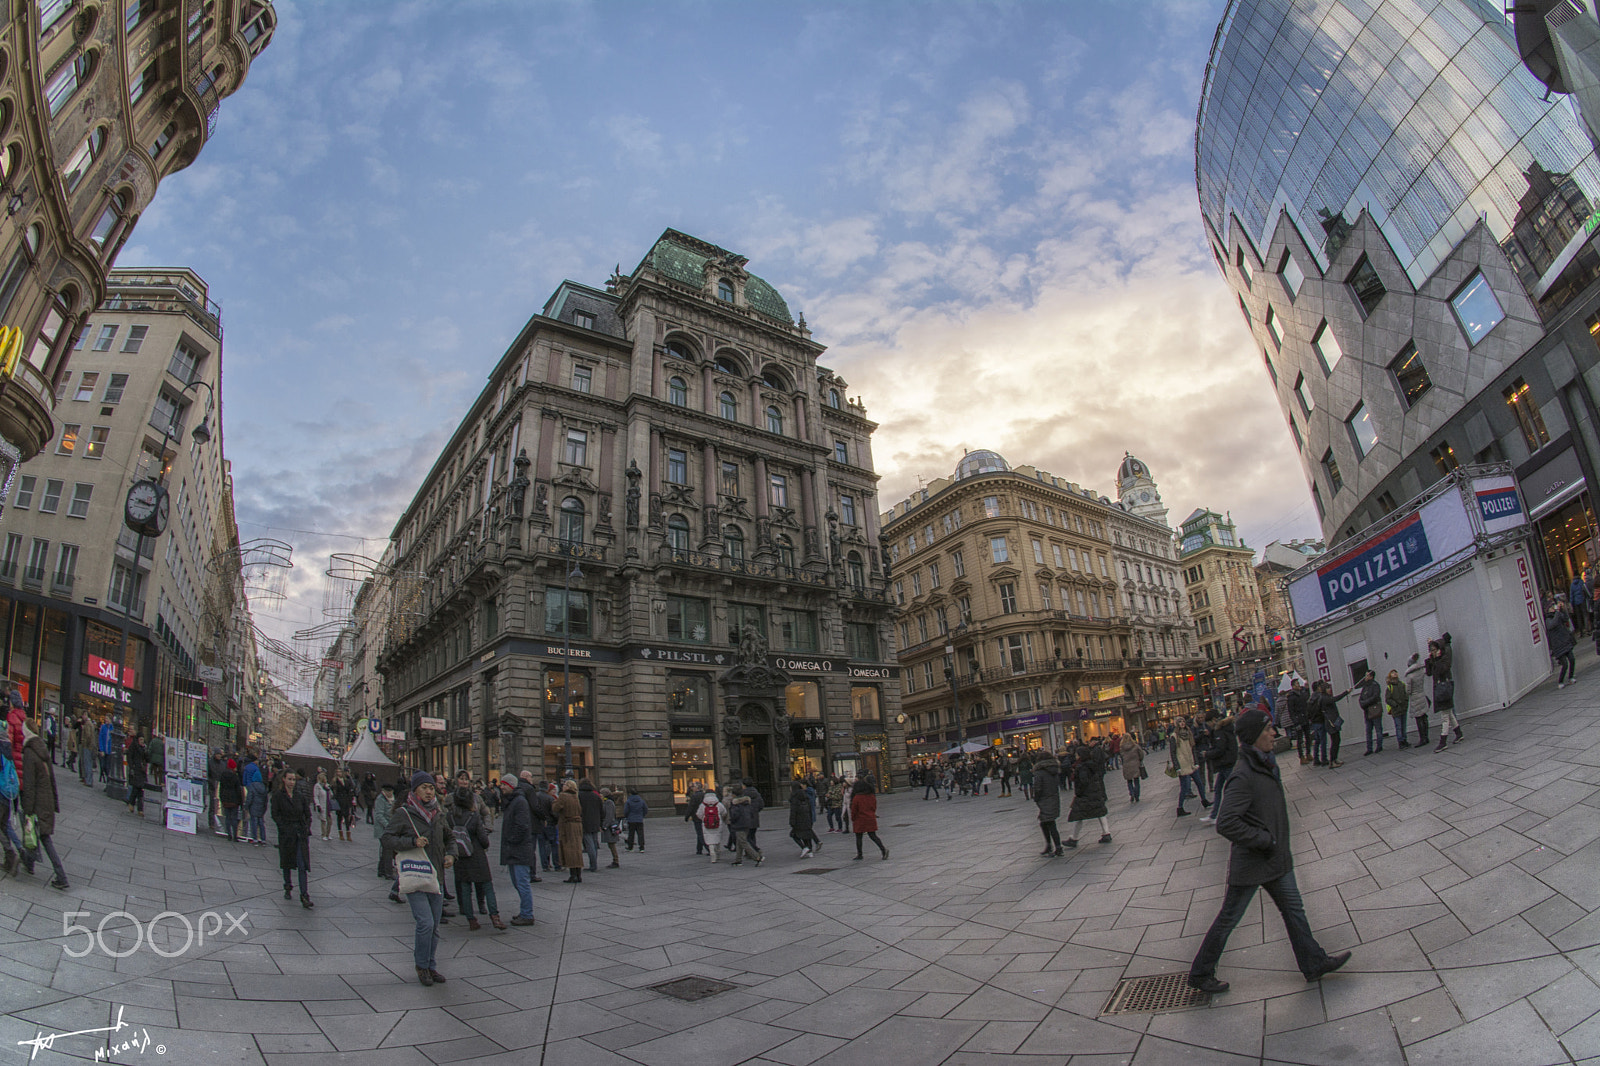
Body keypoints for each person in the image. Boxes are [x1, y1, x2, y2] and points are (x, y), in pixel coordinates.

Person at [1188, 709, 1352, 994]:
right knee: (1229, 918)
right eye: (1268, 729)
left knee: (1294, 910)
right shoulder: (1243, 775)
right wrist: (1263, 840)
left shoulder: (1264, 764)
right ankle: (1201, 973)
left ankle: (1313, 963)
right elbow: (1226, 822)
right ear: (1254, 736)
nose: (1274, 733)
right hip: (1253, 863)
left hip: (1275, 859)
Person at [383, 771, 456, 985]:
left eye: (431, 787)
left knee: (434, 926)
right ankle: (421, 966)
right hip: (416, 874)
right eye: (424, 787)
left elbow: (450, 837)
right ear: (415, 790)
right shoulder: (405, 813)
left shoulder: (438, 813)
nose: (428, 791)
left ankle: (431, 966)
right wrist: (412, 842)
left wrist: (451, 854)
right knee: (425, 923)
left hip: (436, 877)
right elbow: (387, 838)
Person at [18, 719, 67, 890]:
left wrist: (27, 809)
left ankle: (61, 875)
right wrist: (54, 802)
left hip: (39, 801)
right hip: (46, 800)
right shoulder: (42, 748)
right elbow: (52, 780)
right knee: (36, 834)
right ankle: (29, 863)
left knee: (44, 837)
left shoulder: (30, 753)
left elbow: (29, 785)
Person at [449, 785, 503, 931]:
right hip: (476, 855)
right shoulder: (474, 816)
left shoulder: (450, 816)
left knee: (465, 888)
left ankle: (471, 919)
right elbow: (484, 839)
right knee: (487, 885)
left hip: (459, 856)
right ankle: (495, 917)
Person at [496, 775, 538, 923]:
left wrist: (511, 840)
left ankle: (527, 914)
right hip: (515, 849)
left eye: (504, 784)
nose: (501, 787)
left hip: (519, 849)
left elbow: (522, 825)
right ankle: (525, 911)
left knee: (522, 882)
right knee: (517, 882)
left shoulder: (519, 802)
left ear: (511, 785)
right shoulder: (513, 801)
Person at [271, 770, 314, 908]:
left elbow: (307, 814)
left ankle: (304, 895)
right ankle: (288, 886)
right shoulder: (278, 796)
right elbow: (275, 814)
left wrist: (306, 828)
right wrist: (283, 827)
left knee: (302, 865)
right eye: (289, 779)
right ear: (283, 780)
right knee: (287, 862)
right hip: (287, 833)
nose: (292, 782)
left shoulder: (299, 796)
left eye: (293, 779)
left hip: (300, 834)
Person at [1064, 741, 1111, 848]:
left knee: (1078, 815)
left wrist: (1078, 793)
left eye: (1077, 754)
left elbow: (1083, 782)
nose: (1075, 756)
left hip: (1085, 795)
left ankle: (1074, 838)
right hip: (1095, 793)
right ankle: (1106, 833)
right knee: (1100, 812)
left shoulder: (1081, 767)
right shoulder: (1092, 764)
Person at [1199, 716, 1237, 825]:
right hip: (1227, 763)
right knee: (1218, 789)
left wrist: (1207, 754)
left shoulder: (1220, 732)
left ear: (1213, 721)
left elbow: (1220, 748)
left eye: (1208, 723)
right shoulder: (1227, 729)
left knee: (1232, 789)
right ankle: (1214, 815)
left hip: (1225, 763)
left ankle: (1236, 813)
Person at [1428, 637, 1463, 750]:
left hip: (1444, 689)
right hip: (1441, 689)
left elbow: (1441, 670)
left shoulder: (1444, 659)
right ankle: (1458, 733)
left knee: (1445, 717)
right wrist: (1431, 660)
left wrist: (1436, 659)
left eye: (1434, 650)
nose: (1432, 652)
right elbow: (1429, 673)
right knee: (1449, 713)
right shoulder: (1436, 660)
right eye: (1431, 650)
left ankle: (1443, 741)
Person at [1171, 720, 1208, 816]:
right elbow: (1173, 753)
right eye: (1180, 722)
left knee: (1199, 783)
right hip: (1182, 764)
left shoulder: (1188, 734)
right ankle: (1180, 808)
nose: (1182, 723)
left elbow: (1193, 749)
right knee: (1185, 787)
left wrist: (1195, 762)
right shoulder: (1174, 736)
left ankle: (1204, 800)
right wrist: (1177, 767)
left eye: (1183, 721)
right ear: (1177, 724)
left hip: (1190, 763)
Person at [553, 779, 585, 883]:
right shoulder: (576, 796)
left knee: (569, 849)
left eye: (564, 785)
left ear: (568, 786)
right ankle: (578, 874)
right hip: (577, 825)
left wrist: (554, 801)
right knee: (577, 849)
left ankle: (573, 875)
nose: (563, 786)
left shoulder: (563, 796)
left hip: (568, 825)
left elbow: (556, 808)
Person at [1311, 681, 1349, 767]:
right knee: (1334, 741)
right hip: (1330, 722)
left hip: (1332, 721)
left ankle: (1335, 758)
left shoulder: (1325, 697)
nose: (1330, 690)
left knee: (1337, 740)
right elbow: (1335, 699)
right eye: (1328, 688)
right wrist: (1346, 692)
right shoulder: (1325, 698)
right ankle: (1332, 761)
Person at [849, 777, 888, 860]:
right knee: (873, 836)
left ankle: (860, 854)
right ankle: (883, 849)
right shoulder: (871, 796)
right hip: (870, 818)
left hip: (860, 819)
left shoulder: (857, 798)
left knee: (859, 837)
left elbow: (854, 810)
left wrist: (853, 818)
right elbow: (874, 807)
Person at [727, 785, 763, 866]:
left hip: (739, 824)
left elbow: (734, 815)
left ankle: (757, 857)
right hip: (747, 822)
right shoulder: (746, 801)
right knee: (739, 841)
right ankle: (738, 859)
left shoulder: (735, 803)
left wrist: (731, 820)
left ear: (734, 794)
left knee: (743, 841)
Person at [1549, 595, 1577, 689]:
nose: (1554, 608)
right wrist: (1557, 613)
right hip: (1558, 644)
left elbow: (1565, 619)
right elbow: (1553, 624)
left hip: (1565, 640)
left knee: (1572, 659)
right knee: (1564, 664)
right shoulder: (1548, 619)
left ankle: (1571, 677)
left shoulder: (1558, 614)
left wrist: (1563, 610)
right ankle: (1560, 681)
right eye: (1552, 607)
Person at [1403, 652, 1430, 747]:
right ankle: (1426, 736)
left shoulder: (1409, 676)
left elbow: (1408, 690)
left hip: (1415, 698)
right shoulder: (1421, 671)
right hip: (1422, 694)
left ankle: (1422, 738)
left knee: (1418, 718)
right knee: (1424, 716)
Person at [789, 780, 822, 858]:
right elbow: (810, 808)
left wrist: (792, 822)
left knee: (794, 834)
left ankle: (805, 848)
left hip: (799, 820)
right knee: (806, 835)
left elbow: (793, 811)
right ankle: (809, 850)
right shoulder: (804, 795)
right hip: (806, 818)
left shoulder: (794, 797)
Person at [577, 779, 604, 872]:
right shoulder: (596, 796)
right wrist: (601, 823)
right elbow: (602, 811)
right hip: (595, 823)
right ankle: (594, 863)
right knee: (594, 844)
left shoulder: (579, 796)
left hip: (584, 823)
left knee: (589, 845)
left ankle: (593, 865)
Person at [696, 786, 727, 863]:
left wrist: (704, 818)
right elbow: (724, 812)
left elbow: (698, 814)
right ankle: (718, 851)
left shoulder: (703, 805)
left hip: (707, 824)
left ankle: (712, 852)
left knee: (709, 839)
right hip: (717, 823)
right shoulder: (718, 803)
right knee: (717, 837)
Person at [1357, 670, 1385, 755]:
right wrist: (1362, 703)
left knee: (1378, 729)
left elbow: (1375, 697)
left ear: (1371, 676)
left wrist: (1365, 703)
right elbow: (1361, 698)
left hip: (1374, 710)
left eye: (1367, 675)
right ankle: (1369, 748)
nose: (1365, 677)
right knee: (1368, 730)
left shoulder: (1375, 685)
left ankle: (1379, 746)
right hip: (1367, 711)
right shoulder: (1365, 686)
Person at [244, 755, 268, 846]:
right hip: (261, 808)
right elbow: (266, 800)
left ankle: (254, 838)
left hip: (253, 808)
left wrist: (246, 806)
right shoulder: (263, 788)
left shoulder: (252, 787)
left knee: (254, 822)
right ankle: (263, 839)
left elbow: (250, 798)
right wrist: (264, 808)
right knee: (261, 823)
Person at [1285, 678, 1311, 765]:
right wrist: (1295, 722)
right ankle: (1301, 756)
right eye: (1297, 684)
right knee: (1300, 739)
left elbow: (1306, 702)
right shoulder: (1291, 697)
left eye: (1298, 683)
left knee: (1308, 737)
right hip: (1299, 720)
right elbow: (1291, 711)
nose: (1298, 685)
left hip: (1305, 718)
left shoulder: (1302, 694)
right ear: (1292, 686)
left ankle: (1308, 753)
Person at [374, 782, 396, 879]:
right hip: (382, 829)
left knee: (385, 850)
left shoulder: (392, 799)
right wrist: (388, 825)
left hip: (389, 828)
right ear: (384, 791)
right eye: (388, 791)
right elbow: (379, 815)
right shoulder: (380, 799)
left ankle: (381, 870)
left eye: (391, 792)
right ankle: (388, 873)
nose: (390, 794)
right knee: (388, 850)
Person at [218, 758, 243, 843]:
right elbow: (238, 791)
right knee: (234, 818)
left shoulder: (223, 775)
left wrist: (222, 798)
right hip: (234, 800)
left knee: (227, 818)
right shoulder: (235, 777)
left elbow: (221, 789)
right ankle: (235, 836)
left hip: (225, 800)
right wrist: (240, 802)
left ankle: (229, 835)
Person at [1385, 669, 1410, 750]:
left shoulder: (1401, 684)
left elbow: (1406, 694)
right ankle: (1400, 741)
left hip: (1403, 708)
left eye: (1395, 672)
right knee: (1398, 726)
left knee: (1403, 725)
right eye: (1392, 672)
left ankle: (1404, 739)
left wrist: (1405, 703)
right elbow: (1388, 699)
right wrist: (1395, 705)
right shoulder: (1390, 687)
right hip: (1396, 710)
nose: (1395, 673)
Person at [124, 731, 148, 817]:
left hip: (142, 771)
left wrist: (145, 751)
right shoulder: (133, 747)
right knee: (137, 788)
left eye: (143, 739)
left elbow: (147, 759)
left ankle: (132, 804)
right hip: (136, 769)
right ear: (137, 739)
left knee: (139, 789)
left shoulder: (144, 748)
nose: (142, 741)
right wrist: (132, 767)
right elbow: (130, 757)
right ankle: (139, 808)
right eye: (140, 739)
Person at [599, 787, 622, 868]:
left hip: (610, 826)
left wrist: (604, 826)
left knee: (612, 844)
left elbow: (609, 816)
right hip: (609, 825)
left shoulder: (609, 803)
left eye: (601, 794)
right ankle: (615, 860)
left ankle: (616, 860)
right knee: (610, 844)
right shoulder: (606, 802)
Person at [685, 779, 709, 855]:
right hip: (704, 816)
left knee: (700, 833)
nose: (692, 788)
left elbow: (691, 807)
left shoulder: (694, 796)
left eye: (694, 786)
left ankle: (708, 849)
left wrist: (687, 816)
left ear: (697, 787)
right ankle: (699, 849)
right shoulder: (704, 795)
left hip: (696, 816)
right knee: (700, 832)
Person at [1121, 734, 1145, 803]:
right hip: (1135, 764)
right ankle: (1136, 795)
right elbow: (1141, 754)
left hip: (1127, 765)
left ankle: (1132, 793)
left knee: (1129, 781)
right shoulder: (1135, 745)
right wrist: (1139, 759)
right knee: (1136, 781)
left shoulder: (1122, 748)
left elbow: (1122, 756)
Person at [622, 787, 647, 851]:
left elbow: (626, 811)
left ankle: (630, 847)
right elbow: (645, 809)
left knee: (631, 833)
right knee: (640, 834)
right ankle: (641, 847)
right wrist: (642, 815)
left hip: (631, 820)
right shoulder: (641, 801)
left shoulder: (629, 801)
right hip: (639, 819)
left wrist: (627, 816)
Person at [76, 714, 96, 787]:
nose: (83, 717)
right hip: (90, 746)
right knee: (88, 763)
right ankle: (89, 780)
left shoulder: (87, 724)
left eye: (84, 715)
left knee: (87, 763)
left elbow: (88, 735)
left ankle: (88, 781)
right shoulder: (90, 724)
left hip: (87, 746)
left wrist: (84, 742)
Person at [313, 770, 332, 841]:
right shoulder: (317, 786)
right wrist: (317, 805)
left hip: (328, 805)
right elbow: (315, 796)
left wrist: (329, 789)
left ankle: (328, 834)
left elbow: (331, 795)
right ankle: (323, 834)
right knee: (323, 820)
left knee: (330, 821)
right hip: (322, 805)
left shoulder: (327, 786)